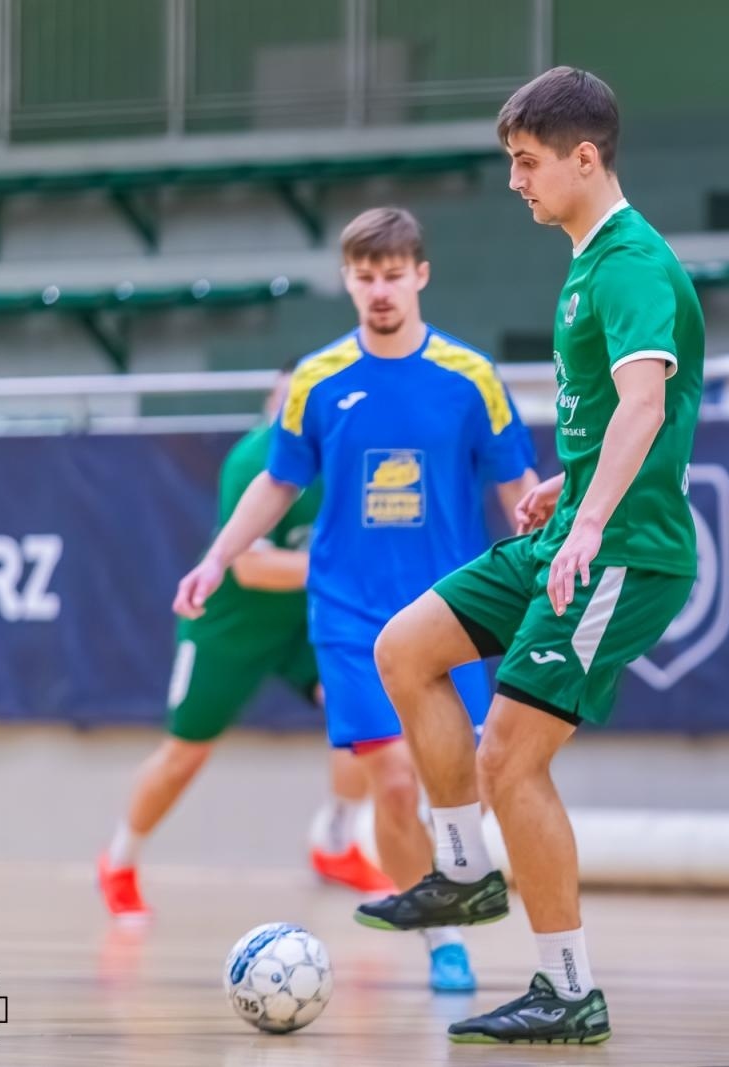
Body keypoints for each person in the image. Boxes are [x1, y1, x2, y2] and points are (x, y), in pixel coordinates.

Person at [359, 66, 704, 1045]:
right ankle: (464, 870)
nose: (515, 181)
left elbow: (645, 401)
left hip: (624, 550)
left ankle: (566, 986)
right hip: (575, 526)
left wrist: (591, 521)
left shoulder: (631, 262)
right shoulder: (589, 261)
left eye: (527, 162)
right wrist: (568, 483)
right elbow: (624, 417)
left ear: (584, 157)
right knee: (405, 648)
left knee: (509, 758)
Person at [172, 206, 538, 994]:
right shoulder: (318, 380)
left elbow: (516, 483)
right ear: (347, 279)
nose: (380, 290)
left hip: (452, 616)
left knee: (465, 779)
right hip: (350, 619)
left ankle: (462, 886)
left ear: (421, 275)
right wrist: (216, 558)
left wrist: (546, 550)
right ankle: (444, 938)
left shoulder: (471, 377)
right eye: (365, 276)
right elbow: (277, 482)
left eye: (393, 274)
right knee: (397, 782)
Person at [98, 360, 394, 924]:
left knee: (363, 713)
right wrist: (334, 569)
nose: (293, 414)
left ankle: (335, 841)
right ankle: (119, 862)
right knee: (185, 755)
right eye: (283, 402)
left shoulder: (353, 464)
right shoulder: (255, 461)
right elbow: (252, 569)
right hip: (230, 628)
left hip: (304, 624)